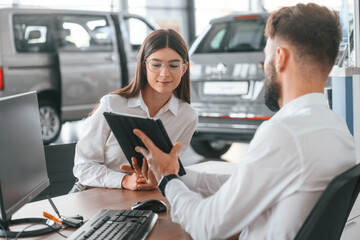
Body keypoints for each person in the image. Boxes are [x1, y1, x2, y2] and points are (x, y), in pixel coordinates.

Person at [124, 3, 356, 239]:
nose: (264, 67)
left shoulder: (284, 134)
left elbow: (207, 226)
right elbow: (244, 182)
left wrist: (168, 180)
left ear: (280, 58)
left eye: (265, 57)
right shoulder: (337, 130)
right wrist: (177, 173)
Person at [71, 29, 198, 192]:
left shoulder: (187, 116)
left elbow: (169, 170)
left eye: (173, 65)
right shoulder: (112, 104)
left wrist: (159, 179)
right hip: (92, 192)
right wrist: (124, 180)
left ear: (184, 68)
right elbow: (83, 167)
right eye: (156, 65)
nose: (164, 73)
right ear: (145, 66)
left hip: (142, 197)